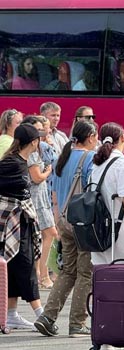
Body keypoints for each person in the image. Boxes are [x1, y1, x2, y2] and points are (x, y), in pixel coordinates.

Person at [34, 120, 97, 337]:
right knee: (85, 272)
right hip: (82, 221)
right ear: (90, 137)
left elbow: (53, 192)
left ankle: (48, 316)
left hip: (63, 219)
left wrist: (56, 219)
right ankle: (77, 322)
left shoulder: (63, 157)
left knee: (68, 270)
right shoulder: (89, 158)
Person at [0, 124, 45, 330]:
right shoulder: (13, 164)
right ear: (34, 142)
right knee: (26, 265)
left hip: (21, 220)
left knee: (15, 264)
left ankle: (11, 314)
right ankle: (41, 314)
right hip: (12, 222)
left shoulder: (19, 161)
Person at [89, 123, 124, 264]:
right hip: (119, 229)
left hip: (97, 229)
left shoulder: (96, 164)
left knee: (103, 277)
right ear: (122, 138)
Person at [21, 115, 55, 290]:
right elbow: (36, 177)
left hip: (41, 197)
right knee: (48, 234)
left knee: (43, 236)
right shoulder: (32, 153)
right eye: (38, 129)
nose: (41, 132)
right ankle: (41, 275)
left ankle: (39, 274)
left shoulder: (38, 149)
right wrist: (48, 171)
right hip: (36, 199)